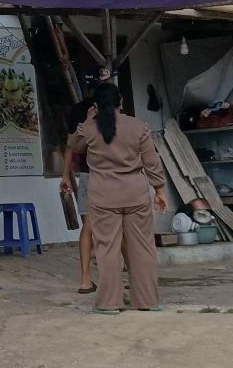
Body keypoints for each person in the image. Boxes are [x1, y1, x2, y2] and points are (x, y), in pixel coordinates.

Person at [68, 82, 169, 313]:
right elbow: (151, 162)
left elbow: (74, 145)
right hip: (136, 195)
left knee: (107, 249)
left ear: (96, 105)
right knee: (143, 248)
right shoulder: (138, 126)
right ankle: (147, 301)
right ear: (121, 102)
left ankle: (109, 303)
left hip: (103, 198)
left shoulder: (91, 128)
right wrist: (160, 190)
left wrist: (87, 119)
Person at [61, 93, 97, 293]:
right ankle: (132, 277)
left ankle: (85, 280)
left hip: (88, 176)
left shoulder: (79, 111)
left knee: (89, 227)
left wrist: (66, 174)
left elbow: (71, 145)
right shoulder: (114, 111)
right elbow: (73, 145)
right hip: (109, 178)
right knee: (118, 226)